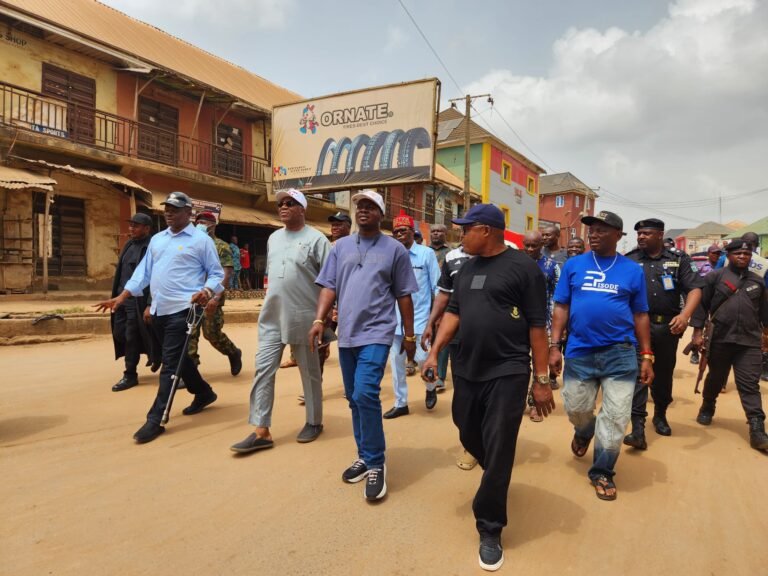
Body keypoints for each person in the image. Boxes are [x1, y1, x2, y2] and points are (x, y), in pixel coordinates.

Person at [421, 203, 554, 572]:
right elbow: (454, 313)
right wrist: (434, 354)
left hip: (508, 371)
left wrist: (541, 381)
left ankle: (490, 526)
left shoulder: (524, 268)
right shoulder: (465, 268)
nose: (459, 236)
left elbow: (536, 327)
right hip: (467, 368)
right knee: (466, 429)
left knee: (499, 445)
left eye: (465, 229)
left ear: (486, 230)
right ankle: (495, 471)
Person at [310, 189, 417, 502]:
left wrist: (409, 336)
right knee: (354, 399)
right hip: (348, 334)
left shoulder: (394, 250)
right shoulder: (340, 247)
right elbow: (329, 286)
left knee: (365, 392)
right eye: (359, 206)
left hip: (378, 332)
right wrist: (319, 321)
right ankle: (364, 453)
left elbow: (404, 296)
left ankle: (376, 463)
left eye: (370, 206)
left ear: (380, 213)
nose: (363, 211)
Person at [95, 191, 225, 444]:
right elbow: (143, 274)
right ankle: (204, 393)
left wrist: (207, 291)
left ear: (189, 212)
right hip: (159, 310)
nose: (169, 212)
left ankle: (156, 419)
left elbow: (216, 274)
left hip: (185, 309)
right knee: (175, 357)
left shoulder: (201, 240)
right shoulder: (158, 240)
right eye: (167, 208)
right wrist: (121, 297)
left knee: (170, 365)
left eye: (175, 208)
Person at [549, 210, 653, 501]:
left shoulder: (632, 271)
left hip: (620, 353)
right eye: (591, 230)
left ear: (618, 235)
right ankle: (584, 431)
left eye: (601, 229)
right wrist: (555, 346)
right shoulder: (573, 265)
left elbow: (640, 313)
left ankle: (602, 471)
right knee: (576, 408)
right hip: (580, 351)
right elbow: (561, 307)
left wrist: (646, 355)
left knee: (617, 416)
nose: (593, 234)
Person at [230, 189, 331, 453]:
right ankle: (261, 430)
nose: (283, 207)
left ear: (303, 209)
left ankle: (314, 421)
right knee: (263, 369)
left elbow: (331, 281)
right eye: (280, 204)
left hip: (305, 317)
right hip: (272, 316)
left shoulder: (318, 240)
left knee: (309, 373)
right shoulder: (273, 238)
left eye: (290, 203)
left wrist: (327, 316)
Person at [622, 219, 703, 449]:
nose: (641, 237)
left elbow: (695, 289)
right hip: (636, 327)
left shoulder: (678, 259)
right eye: (639, 234)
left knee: (663, 373)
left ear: (660, 235)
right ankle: (638, 427)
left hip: (667, 327)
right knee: (639, 373)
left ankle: (660, 414)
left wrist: (685, 315)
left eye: (646, 233)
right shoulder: (630, 259)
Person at [691, 239, 768, 451]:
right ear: (729, 255)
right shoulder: (715, 277)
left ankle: (757, 429)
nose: (743, 257)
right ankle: (708, 406)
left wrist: (766, 335)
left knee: (750, 385)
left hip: (749, 342)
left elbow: (764, 312)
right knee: (716, 378)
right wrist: (697, 332)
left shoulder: (758, 281)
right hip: (720, 340)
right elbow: (701, 306)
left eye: (747, 254)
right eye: (738, 253)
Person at [422, 238, 476, 470]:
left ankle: (485, 445)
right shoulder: (453, 258)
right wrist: (430, 324)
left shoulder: (507, 257)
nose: (465, 235)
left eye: (469, 228)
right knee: (464, 396)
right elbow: (443, 295)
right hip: (457, 334)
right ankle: (472, 442)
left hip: (494, 340)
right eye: (462, 230)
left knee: (488, 394)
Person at [384, 210, 440, 418]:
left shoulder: (426, 254)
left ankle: (431, 387)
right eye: (396, 232)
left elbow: (437, 287)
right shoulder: (389, 257)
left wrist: (435, 320)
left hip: (420, 320)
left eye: (404, 231)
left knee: (424, 359)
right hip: (394, 321)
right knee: (396, 364)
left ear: (412, 232)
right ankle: (401, 403)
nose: (400, 235)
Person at [186, 212, 242, 376]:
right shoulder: (190, 244)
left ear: (213, 225)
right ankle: (191, 372)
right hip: (192, 297)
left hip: (211, 297)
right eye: (198, 222)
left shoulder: (220, 246)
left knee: (212, 334)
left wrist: (216, 297)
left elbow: (227, 272)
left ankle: (233, 352)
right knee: (189, 334)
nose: (201, 224)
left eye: (205, 222)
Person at [109, 212, 159, 392]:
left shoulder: (151, 246)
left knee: (131, 337)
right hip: (121, 298)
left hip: (137, 300)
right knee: (119, 333)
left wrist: (149, 303)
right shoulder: (129, 244)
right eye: (131, 225)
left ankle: (130, 374)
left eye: (136, 226)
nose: (131, 229)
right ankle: (155, 355)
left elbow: (154, 277)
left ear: (147, 228)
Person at [522, 230, 561, 422]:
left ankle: (535, 404)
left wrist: (555, 326)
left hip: (542, 323)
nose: (530, 249)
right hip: (518, 322)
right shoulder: (516, 264)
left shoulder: (552, 267)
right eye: (527, 245)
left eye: (534, 245)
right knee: (520, 363)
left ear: (541, 245)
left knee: (539, 363)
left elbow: (557, 298)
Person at [690, 244, 722, 365]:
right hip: (702, 298)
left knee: (713, 326)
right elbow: (694, 279)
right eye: (714, 253)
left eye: (718, 254)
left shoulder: (721, 266)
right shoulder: (701, 265)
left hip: (716, 299)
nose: (716, 256)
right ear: (709, 253)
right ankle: (694, 351)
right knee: (699, 325)